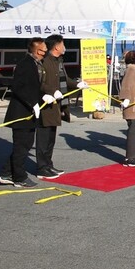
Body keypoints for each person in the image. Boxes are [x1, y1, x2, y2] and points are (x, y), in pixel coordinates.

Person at [0, 37, 46, 188]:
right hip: (21, 111)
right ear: (37, 50)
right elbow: (19, 87)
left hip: (30, 110)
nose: (45, 54)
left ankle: (6, 173)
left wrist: (43, 98)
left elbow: (34, 87)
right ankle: (19, 177)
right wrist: (33, 103)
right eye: (44, 51)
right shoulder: (26, 63)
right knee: (22, 145)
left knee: (24, 144)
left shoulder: (36, 64)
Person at [38, 34, 85, 180]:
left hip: (58, 105)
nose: (64, 46)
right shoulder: (44, 61)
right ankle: (41, 167)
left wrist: (78, 84)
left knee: (51, 137)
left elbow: (65, 79)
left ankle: (48, 164)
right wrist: (51, 92)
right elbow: (39, 82)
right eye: (63, 44)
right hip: (46, 104)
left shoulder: (58, 61)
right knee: (43, 138)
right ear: (57, 46)